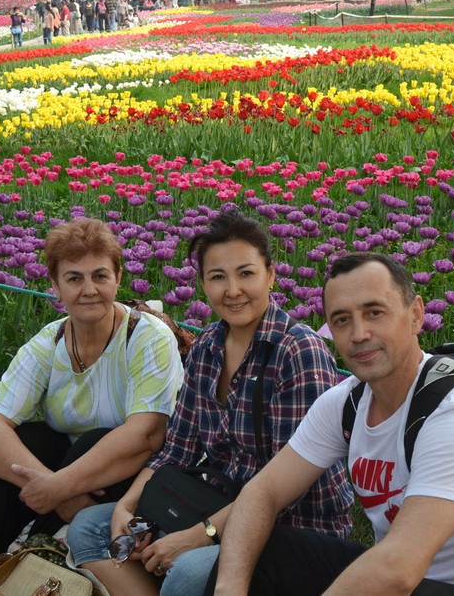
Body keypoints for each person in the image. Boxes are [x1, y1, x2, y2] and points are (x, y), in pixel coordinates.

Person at [207, 252, 454, 596]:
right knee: (266, 551)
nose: (359, 334)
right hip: (405, 575)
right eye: (342, 320)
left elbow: (398, 571)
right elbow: (262, 492)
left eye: (374, 312)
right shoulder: (347, 402)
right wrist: (229, 588)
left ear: (416, 315)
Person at [66, 210, 353, 596]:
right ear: (203, 283)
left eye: (246, 273)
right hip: (214, 503)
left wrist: (198, 536)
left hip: (291, 526)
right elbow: (177, 450)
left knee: (187, 572)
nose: (233, 290)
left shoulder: (297, 351)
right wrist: (127, 506)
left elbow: (285, 488)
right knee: (89, 528)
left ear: (270, 274)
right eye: (218, 277)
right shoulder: (207, 347)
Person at [0, 218, 185, 595]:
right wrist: (56, 488)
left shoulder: (148, 337)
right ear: (55, 285)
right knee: (31, 441)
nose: (89, 289)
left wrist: (59, 487)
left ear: (118, 278)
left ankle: (43, 557)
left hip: (142, 480)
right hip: (68, 481)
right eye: (74, 278)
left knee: (95, 439)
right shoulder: (48, 343)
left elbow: (146, 435)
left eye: (100, 276)